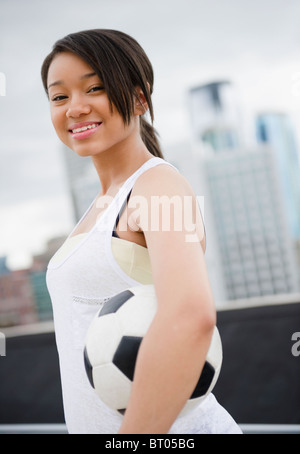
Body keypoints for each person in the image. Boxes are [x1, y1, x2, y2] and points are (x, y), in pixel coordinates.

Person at [42, 29, 242, 434]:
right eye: (59, 96)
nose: (75, 108)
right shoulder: (100, 203)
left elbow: (192, 318)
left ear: (139, 98)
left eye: (94, 88)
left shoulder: (158, 186)